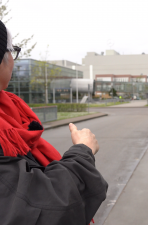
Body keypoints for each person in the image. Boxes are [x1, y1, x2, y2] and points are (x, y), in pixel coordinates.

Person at [0, 20, 108, 225]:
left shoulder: (10, 113)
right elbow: (42, 207)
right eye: (11, 51)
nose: (13, 60)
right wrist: (83, 151)